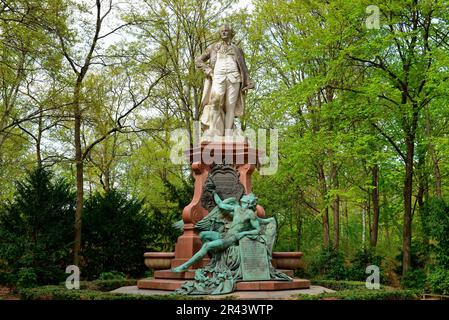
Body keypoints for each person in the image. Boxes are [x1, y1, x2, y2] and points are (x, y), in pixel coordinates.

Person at [172, 192, 274, 273]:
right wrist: (214, 193)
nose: (242, 199)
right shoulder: (237, 208)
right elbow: (221, 204)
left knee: (207, 245)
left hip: (231, 239)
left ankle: (184, 266)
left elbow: (257, 230)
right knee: (203, 234)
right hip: (224, 235)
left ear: (249, 203)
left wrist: (243, 234)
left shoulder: (251, 215)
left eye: (245, 199)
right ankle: (217, 257)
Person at [196, 24, 254, 137]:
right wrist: (209, 71)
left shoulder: (237, 49)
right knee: (215, 103)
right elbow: (198, 61)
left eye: (226, 31)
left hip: (234, 78)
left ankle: (228, 133)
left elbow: (243, 67)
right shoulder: (213, 47)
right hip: (218, 77)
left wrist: (248, 81)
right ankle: (212, 130)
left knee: (230, 106)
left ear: (230, 33)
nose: (224, 33)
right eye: (222, 31)